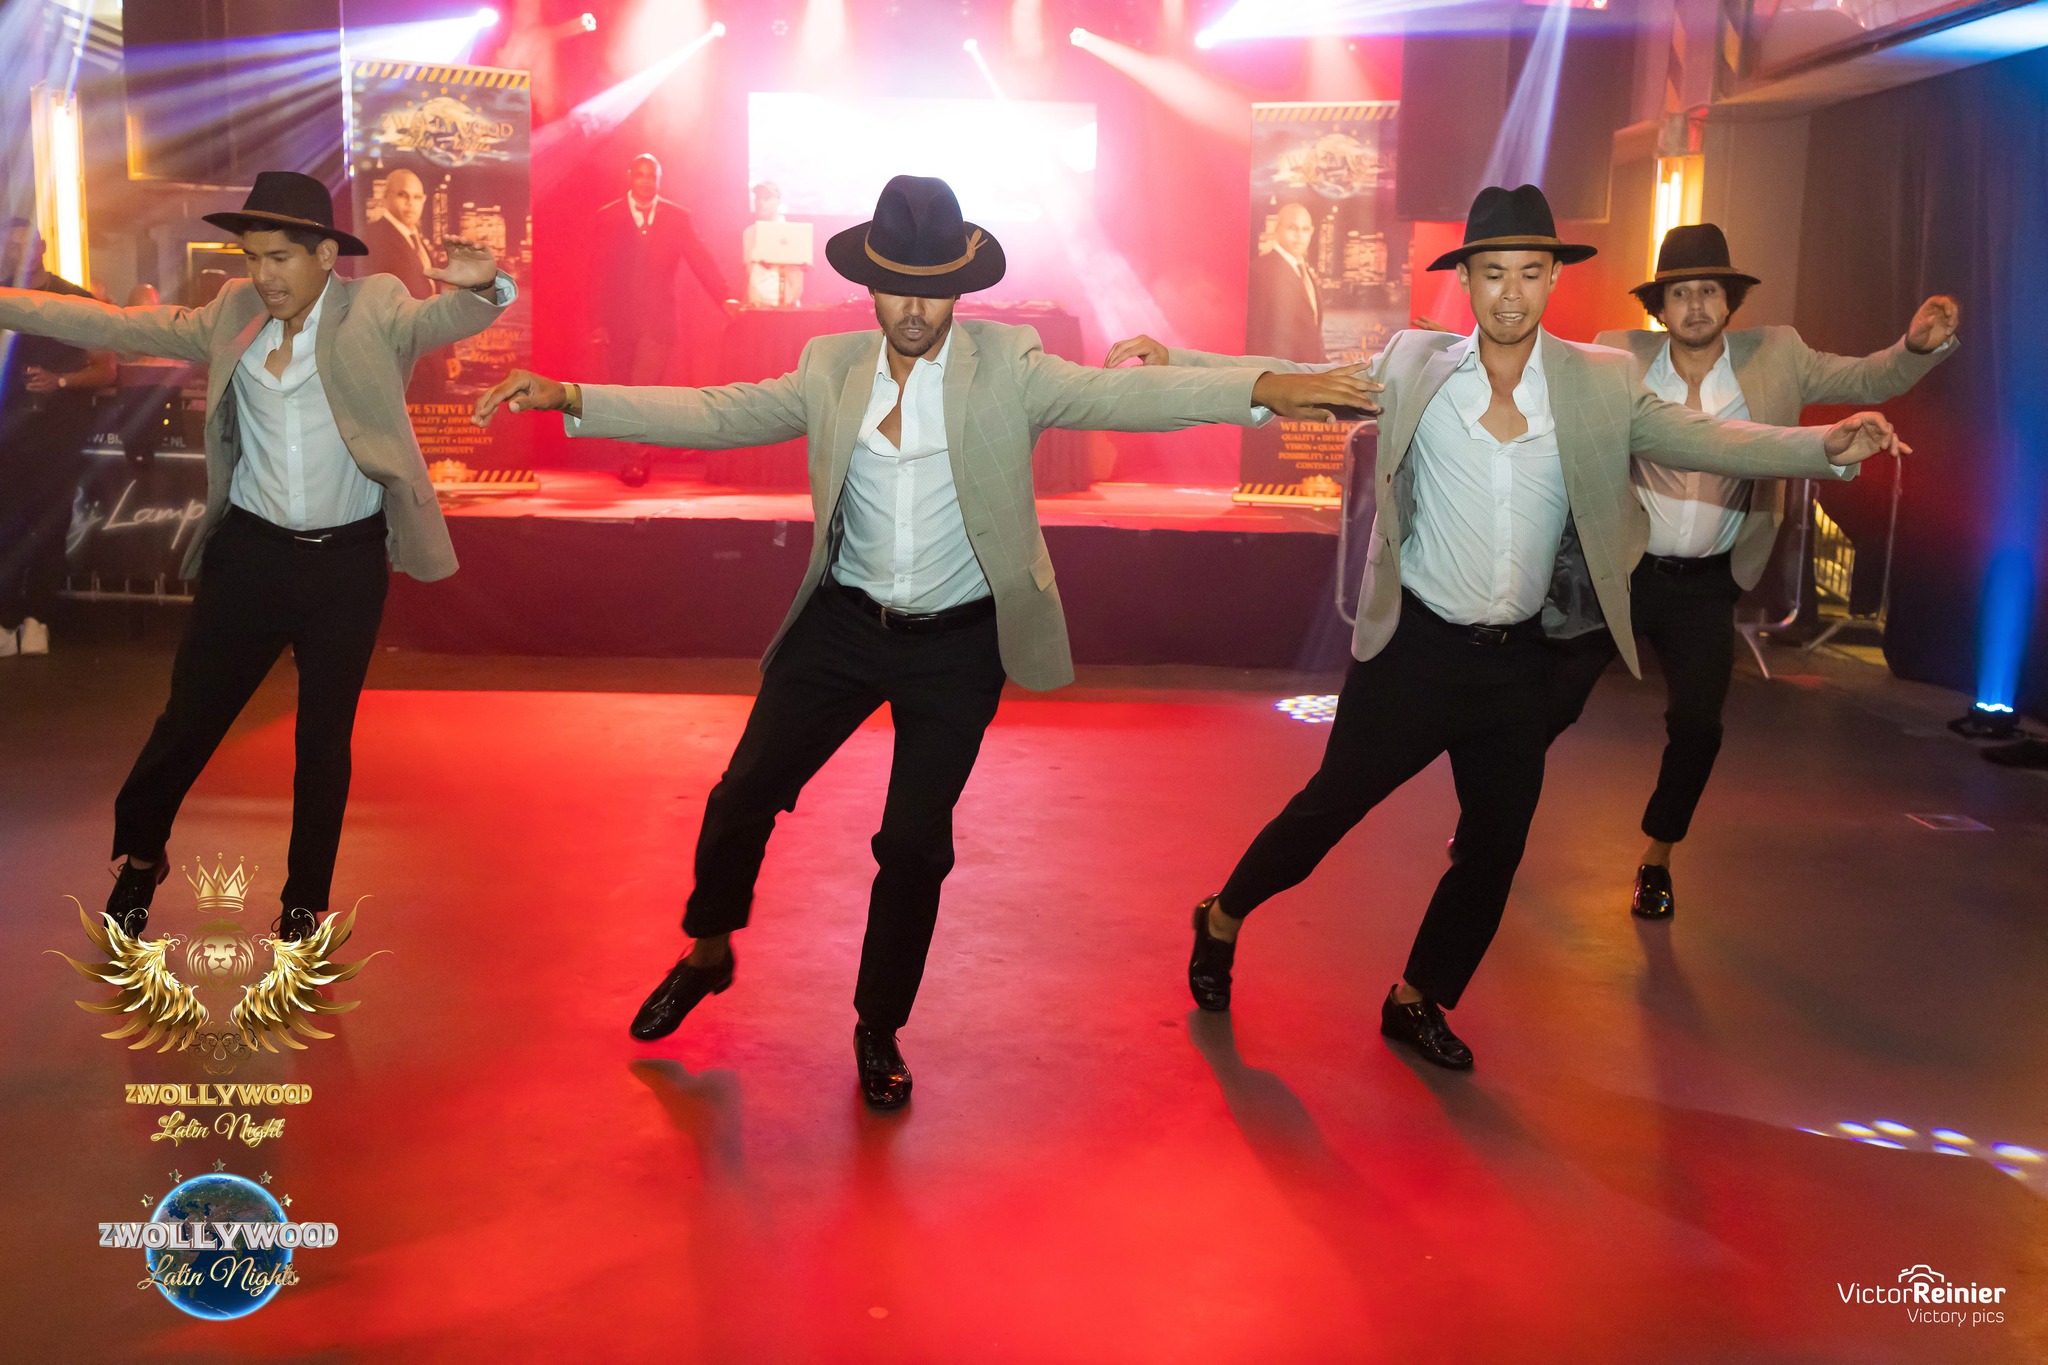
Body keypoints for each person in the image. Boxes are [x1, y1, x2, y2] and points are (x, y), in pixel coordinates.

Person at [475, 175, 1375, 1108]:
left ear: (960, 289)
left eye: (933, 288)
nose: (914, 308)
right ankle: (708, 950)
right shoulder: (830, 365)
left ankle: (878, 1023)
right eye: (897, 287)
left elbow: (1127, 399)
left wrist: (1268, 389)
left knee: (913, 845)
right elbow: (718, 410)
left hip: (956, 643)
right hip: (842, 624)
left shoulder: (1011, 363)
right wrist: (573, 394)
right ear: (869, 285)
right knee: (741, 795)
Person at [1107, 185, 1906, 1071]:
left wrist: (1820, 449)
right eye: (1493, 273)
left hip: (1517, 663)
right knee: (1328, 811)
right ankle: (1221, 917)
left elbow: (1704, 438)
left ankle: (1417, 997)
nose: (1512, 293)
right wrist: (1177, 358)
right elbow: (1297, 379)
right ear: (1467, 280)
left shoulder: (1599, 382)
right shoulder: (1417, 366)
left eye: (1530, 271)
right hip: (1414, 652)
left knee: (1494, 849)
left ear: (1554, 278)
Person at [0, 171, 513, 940]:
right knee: (188, 721)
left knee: (322, 740)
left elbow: (450, 314)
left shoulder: (375, 307)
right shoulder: (234, 312)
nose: (263, 276)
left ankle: (303, 901)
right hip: (251, 557)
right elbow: (117, 323)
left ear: (324, 256)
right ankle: (141, 856)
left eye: (279, 258)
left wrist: (489, 285)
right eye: (252, 257)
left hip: (346, 567)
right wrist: (7, 303)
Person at [1543, 224, 1957, 920]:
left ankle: (1656, 858)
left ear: (1729, 301)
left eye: (1709, 291)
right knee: (1548, 705)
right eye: (1681, 293)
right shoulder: (1619, 354)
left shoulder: (1777, 355)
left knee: (1698, 728)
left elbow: (1866, 376)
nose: (1696, 305)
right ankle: (1490, 815)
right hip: (1621, 568)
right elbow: (1542, 376)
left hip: (1707, 584)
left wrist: (1916, 347)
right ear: (1659, 306)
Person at [0, 218, 116, 658]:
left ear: (43, 246)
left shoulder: (75, 300)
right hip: (7, 436)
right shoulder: (3, 295)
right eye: (12, 245)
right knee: (6, 528)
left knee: (50, 528)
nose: (21, 252)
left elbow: (106, 369)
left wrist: (60, 381)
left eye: (27, 243)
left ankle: (38, 619)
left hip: (57, 434)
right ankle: (6, 620)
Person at [591, 153, 737, 485]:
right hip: (618, 322)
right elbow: (597, 272)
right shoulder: (609, 216)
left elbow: (700, 259)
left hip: (658, 323)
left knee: (643, 390)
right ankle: (632, 455)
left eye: (652, 176)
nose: (646, 181)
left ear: (659, 180)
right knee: (622, 392)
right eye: (640, 175)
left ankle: (635, 461)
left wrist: (724, 296)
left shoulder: (676, 217)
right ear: (630, 176)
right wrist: (596, 321)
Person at [1247, 201, 1326, 364]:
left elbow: (1313, 335)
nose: (1299, 235)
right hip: (1282, 375)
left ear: (1311, 232)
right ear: (1277, 230)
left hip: (1312, 375)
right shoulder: (1260, 271)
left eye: (1305, 229)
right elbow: (1254, 337)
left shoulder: (1306, 272)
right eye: (1292, 228)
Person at [360, 168, 436, 300]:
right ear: (386, 197)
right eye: (403, 195)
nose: (410, 203)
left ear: (423, 200)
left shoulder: (416, 237)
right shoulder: (373, 237)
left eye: (417, 197)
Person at [742, 180, 805, 308]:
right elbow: (749, 271)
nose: (761, 202)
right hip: (756, 307)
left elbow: (797, 280)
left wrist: (787, 308)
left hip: (782, 308)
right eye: (758, 197)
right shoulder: (749, 232)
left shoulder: (791, 232)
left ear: (778, 201)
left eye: (766, 198)